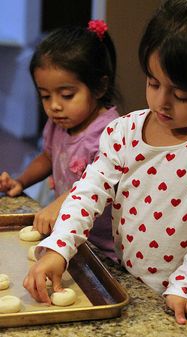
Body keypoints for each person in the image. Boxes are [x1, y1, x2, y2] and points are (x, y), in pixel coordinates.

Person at [23, 0, 187, 333]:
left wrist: (183, 288)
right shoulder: (123, 131)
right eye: (153, 83)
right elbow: (88, 191)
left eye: (181, 95)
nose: (161, 102)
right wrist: (59, 247)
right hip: (132, 286)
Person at [0, 20, 120, 261]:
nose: (54, 106)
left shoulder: (112, 131)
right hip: (68, 233)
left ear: (99, 87)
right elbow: (48, 156)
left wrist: (60, 206)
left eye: (67, 95)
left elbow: (100, 186)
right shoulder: (59, 123)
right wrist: (21, 181)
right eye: (45, 96)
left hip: (104, 244)